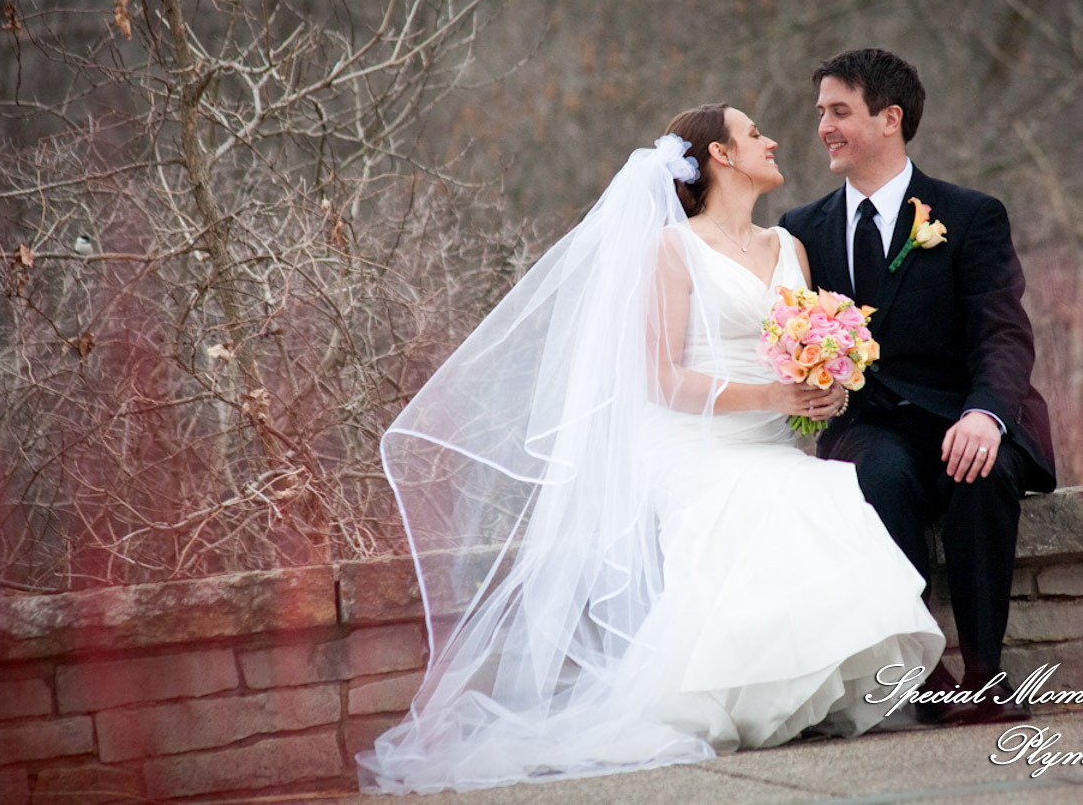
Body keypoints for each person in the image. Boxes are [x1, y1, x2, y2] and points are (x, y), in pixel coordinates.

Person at [357, 104, 944, 795]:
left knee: (820, 496)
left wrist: (825, 387)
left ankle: (796, 702)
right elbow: (663, 380)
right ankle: (735, 703)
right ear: (720, 156)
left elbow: (797, 356)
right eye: (754, 134)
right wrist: (772, 399)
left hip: (772, 442)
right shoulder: (674, 249)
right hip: (694, 445)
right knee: (769, 502)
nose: (773, 140)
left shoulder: (790, 248)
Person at [780, 48, 1057, 725]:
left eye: (839, 111)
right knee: (881, 471)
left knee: (979, 472)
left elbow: (1004, 335)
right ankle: (925, 672)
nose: (824, 127)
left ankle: (985, 673)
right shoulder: (800, 232)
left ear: (890, 119)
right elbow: (788, 341)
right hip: (867, 424)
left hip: (964, 411)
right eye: (822, 113)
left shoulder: (969, 216)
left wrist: (987, 414)